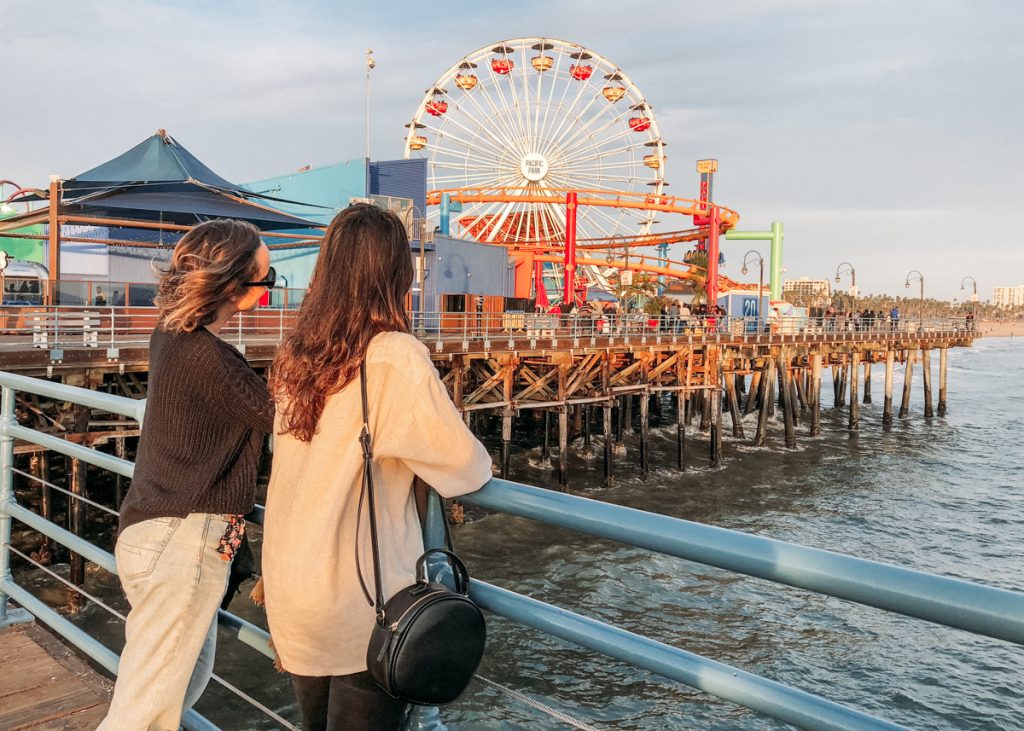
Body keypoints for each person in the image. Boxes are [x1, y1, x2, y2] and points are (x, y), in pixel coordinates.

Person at [262, 204, 492, 731]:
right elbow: (466, 468)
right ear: (395, 275)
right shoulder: (392, 355)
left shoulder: (295, 354)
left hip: (295, 586)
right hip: (361, 601)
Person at [98, 219, 275, 730]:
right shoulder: (213, 359)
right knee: (145, 715)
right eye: (267, 278)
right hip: (183, 541)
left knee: (179, 687)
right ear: (235, 286)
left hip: (150, 528)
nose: (269, 290)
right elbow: (286, 419)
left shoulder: (170, 334)